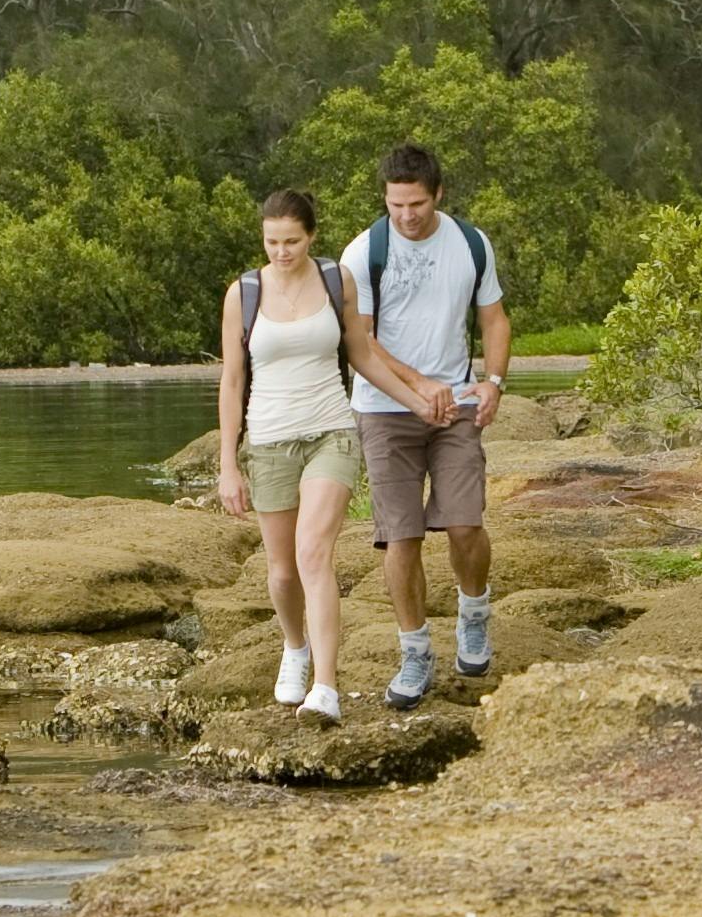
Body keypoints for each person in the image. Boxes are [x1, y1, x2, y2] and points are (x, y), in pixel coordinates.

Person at [212, 188, 444, 724]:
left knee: (314, 554)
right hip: (268, 441)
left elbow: (361, 354)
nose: (281, 252)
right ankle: (295, 647)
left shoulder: (335, 279)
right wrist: (229, 465)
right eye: (271, 242)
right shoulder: (242, 293)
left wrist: (416, 402)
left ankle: (326, 687)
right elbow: (231, 381)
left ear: (310, 236)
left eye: (291, 240)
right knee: (282, 569)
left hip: (330, 434)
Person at [342, 142, 511, 709]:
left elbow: (494, 317)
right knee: (401, 535)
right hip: (385, 409)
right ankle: (414, 652)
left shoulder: (470, 243)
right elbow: (360, 342)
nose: (407, 216)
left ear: (437, 194)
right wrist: (417, 386)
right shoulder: (364, 252)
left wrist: (493, 382)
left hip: (456, 406)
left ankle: (474, 613)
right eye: (396, 205)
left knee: (465, 524)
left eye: (416, 203)